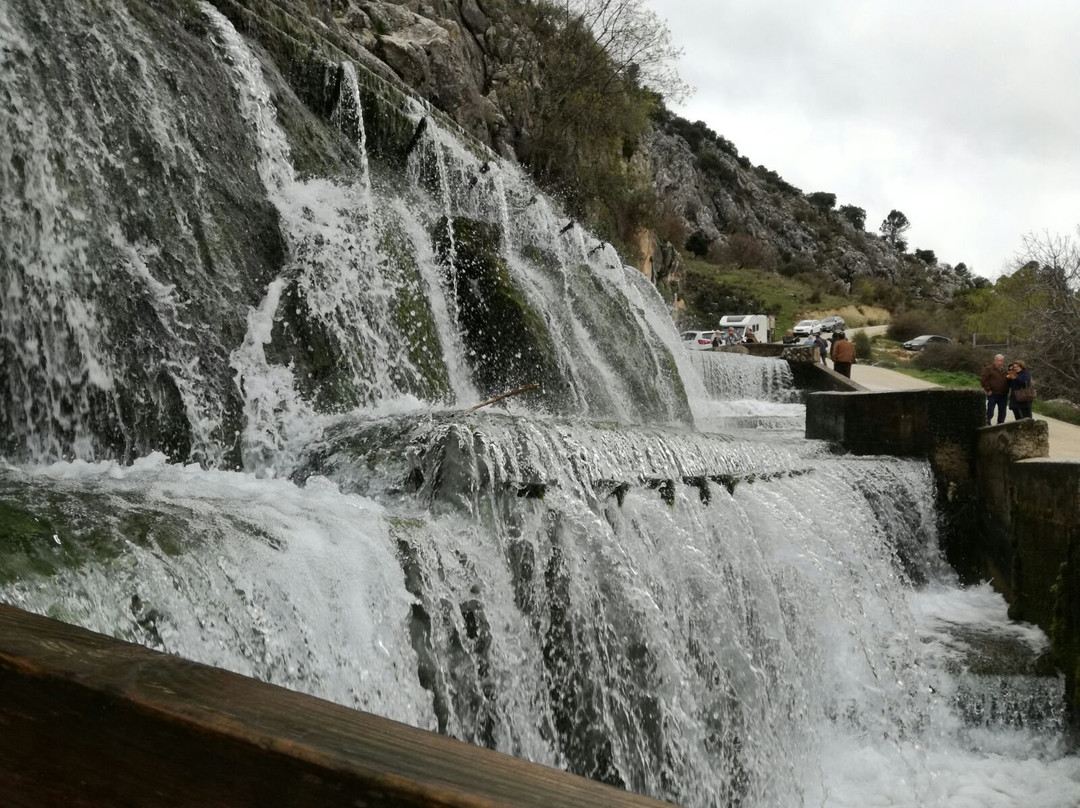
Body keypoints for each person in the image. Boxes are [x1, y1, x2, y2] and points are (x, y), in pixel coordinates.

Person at [980, 353, 1009, 425]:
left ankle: (1000, 424)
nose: (999, 362)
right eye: (998, 361)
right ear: (994, 361)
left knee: (1002, 411)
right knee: (990, 410)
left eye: (1001, 361)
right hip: (993, 393)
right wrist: (988, 389)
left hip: (1003, 394)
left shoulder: (1005, 371)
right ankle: (987, 423)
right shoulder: (988, 369)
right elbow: (983, 380)